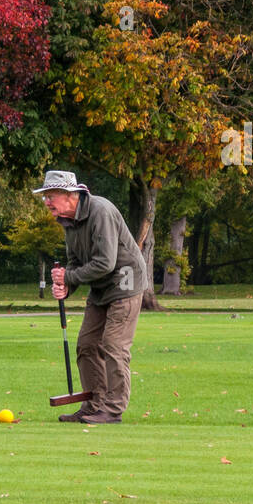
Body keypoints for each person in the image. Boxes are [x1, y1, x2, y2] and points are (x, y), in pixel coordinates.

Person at [36, 170, 147, 425]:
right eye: (45, 197)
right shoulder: (68, 221)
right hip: (101, 287)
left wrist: (68, 278)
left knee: (113, 345)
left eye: (50, 196)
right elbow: (75, 261)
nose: (47, 202)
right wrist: (66, 287)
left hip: (126, 282)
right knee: (87, 344)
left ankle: (113, 409)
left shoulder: (101, 211)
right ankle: (93, 405)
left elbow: (105, 263)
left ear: (69, 195)